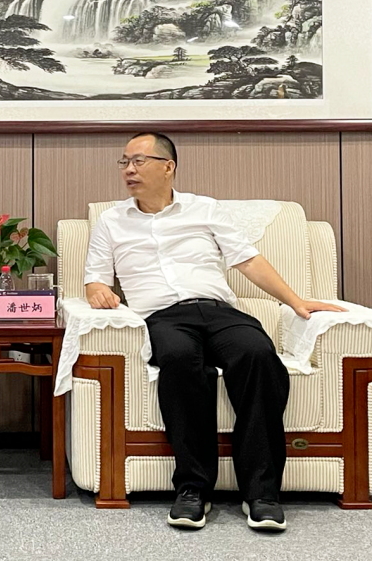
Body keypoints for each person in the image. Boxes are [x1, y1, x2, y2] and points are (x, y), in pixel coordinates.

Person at [84, 132, 344, 532]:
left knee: (257, 354)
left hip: (219, 311)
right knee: (179, 359)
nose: (129, 170)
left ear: (168, 167)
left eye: (138, 161)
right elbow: (95, 278)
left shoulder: (204, 209)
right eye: (124, 162)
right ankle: (193, 488)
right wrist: (98, 290)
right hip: (162, 317)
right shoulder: (111, 221)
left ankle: (262, 493)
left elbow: (248, 260)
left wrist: (296, 302)